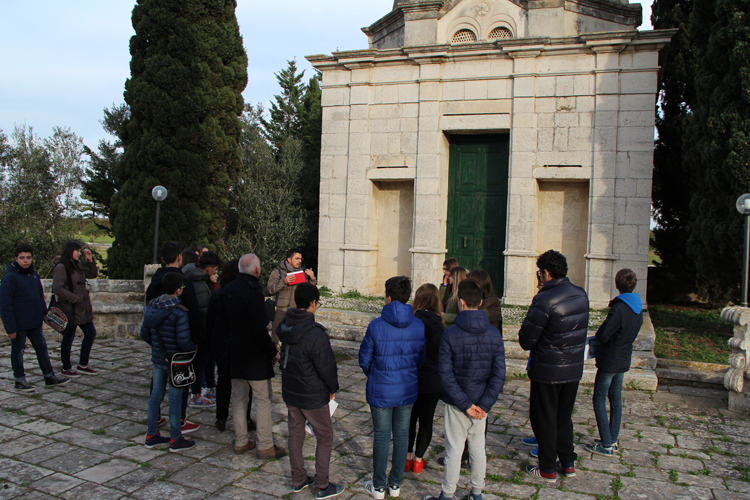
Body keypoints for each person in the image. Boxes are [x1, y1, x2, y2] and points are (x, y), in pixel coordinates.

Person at [424, 279, 506, 500]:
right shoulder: (494, 334)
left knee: (454, 449)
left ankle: (447, 494)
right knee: (478, 449)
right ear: (480, 302)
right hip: (480, 402)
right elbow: (499, 375)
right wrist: (483, 405)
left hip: (458, 402)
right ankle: (476, 493)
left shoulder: (450, 334)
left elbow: (446, 375)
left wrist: (466, 404)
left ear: (460, 302)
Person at [519, 250, 589, 482]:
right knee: (563, 417)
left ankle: (548, 467)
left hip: (548, 370)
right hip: (572, 369)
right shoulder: (581, 295)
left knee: (545, 418)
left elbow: (527, 339)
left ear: (546, 273)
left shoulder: (544, 299)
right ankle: (567, 462)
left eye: (539, 272)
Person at [214, 253, 287, 458]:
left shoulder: (226, 291)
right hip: (254, 356)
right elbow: (258, 328)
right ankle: (265, 445)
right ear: (257, 270)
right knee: (263, 399)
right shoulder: (253, 291)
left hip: (234, 352)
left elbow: (221, 325)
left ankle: (241, 441)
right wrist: (272, 350)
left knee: (239, 399)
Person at [360, 276, 426, 500]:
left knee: (381, 436)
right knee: (401, 436)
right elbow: (421, 358)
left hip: (382, 388)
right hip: (406, 388)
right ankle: (395, 484)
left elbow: (364, 358)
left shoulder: (376, 325)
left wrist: (376, 374)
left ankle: (379, 486)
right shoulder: (418, 325)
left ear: (387, 297)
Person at [277, 283, 344, 499]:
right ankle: (322, 486)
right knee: (324, 436)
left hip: (291, 390)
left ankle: (298, 479)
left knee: (295, 433)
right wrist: (333, 389)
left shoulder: (286, 326)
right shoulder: (316, 334)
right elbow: (327, 367)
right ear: (313, 303)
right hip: (312, 394)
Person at [146, 241, 203, 434]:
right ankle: (178, 421)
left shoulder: (154, 283)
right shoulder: (182, 282)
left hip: (159, 344)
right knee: (180, 383)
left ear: (162, 259)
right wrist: (195, 341)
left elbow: (148, 315)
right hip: (179, 344)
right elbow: (193, 314)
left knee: (157, 387)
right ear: (179, 257)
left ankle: (154, 423)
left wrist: (154, 341)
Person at [586, 269, 643, 456]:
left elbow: (603, 334)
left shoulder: (619, 309)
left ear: (616, 284)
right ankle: (612, 438)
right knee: (616, 398)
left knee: (599, 398)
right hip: (624, 356)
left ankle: (606, 443)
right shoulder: (637, 308)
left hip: (610, 358)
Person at [0, 243, 70, 391]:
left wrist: (44, 314)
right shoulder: (9, 278)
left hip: (34, 322)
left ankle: (49, 376)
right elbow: (5, 305)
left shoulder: (33, 275)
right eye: (22, 258)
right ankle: (19, 380)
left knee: (42, 348)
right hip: (19, 324)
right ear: (15, 258)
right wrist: (10, 327)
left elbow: (39, 297)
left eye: (28, 257)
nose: (26, 261)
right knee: (18, 351)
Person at [140, 272, 196, 452]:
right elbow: (183, 340)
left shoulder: (151, 307)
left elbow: (144, 333)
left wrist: (156, 346)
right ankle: (175, 437)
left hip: (158, 357)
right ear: (178, 290)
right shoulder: (179, 311)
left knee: (155, 395)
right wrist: (191, 348)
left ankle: (151, 434)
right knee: (175, 398)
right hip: (175, 361)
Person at [206, 259, 255, 433]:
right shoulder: (244, 293)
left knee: (224, 382)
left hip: (221, 343)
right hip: (238, 343)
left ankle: (221, 417)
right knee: (244, 384)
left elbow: (210, 322)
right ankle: (246, 419)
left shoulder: (218, 294)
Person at [406, 284, 445, 474]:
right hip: (432, 381)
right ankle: (418, 460)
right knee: (426, 421)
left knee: (409, 420)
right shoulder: (441, 327)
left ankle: (406, 458)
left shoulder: (410, 322)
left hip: (411, 379)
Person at [52, 241, 99, 378]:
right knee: (68, 337)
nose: (79, 253)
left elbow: (91, 274)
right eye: (77, 251)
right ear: (70, 251)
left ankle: (83, 364)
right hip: (70, 309)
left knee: (90, 333)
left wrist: (90, 260)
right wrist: (75, 298)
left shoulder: (77, 266)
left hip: (81, 308)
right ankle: (66, 367)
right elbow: (58, 288)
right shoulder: (61, 267)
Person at [184, 250, 221, 408]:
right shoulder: (198, 283)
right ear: (209, 269)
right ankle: (196, 394)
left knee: (206, 360)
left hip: (204, 330)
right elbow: (203, 310)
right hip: (202, 330)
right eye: (215, 269)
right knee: (200, 362)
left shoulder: (198, 278)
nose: (216, 272)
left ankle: (207, 389)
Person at [267, 248, 317, 343]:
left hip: (296, 311)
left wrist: (312, 278)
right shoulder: (277, 273)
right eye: (297, 258)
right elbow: (270, 290)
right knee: (276, 339)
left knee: (296, 339)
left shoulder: (302, 274)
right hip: (280, 310)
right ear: (289, 259)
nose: (299, 261)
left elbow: (309, 293)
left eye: (301, 259)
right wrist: (284, 282)